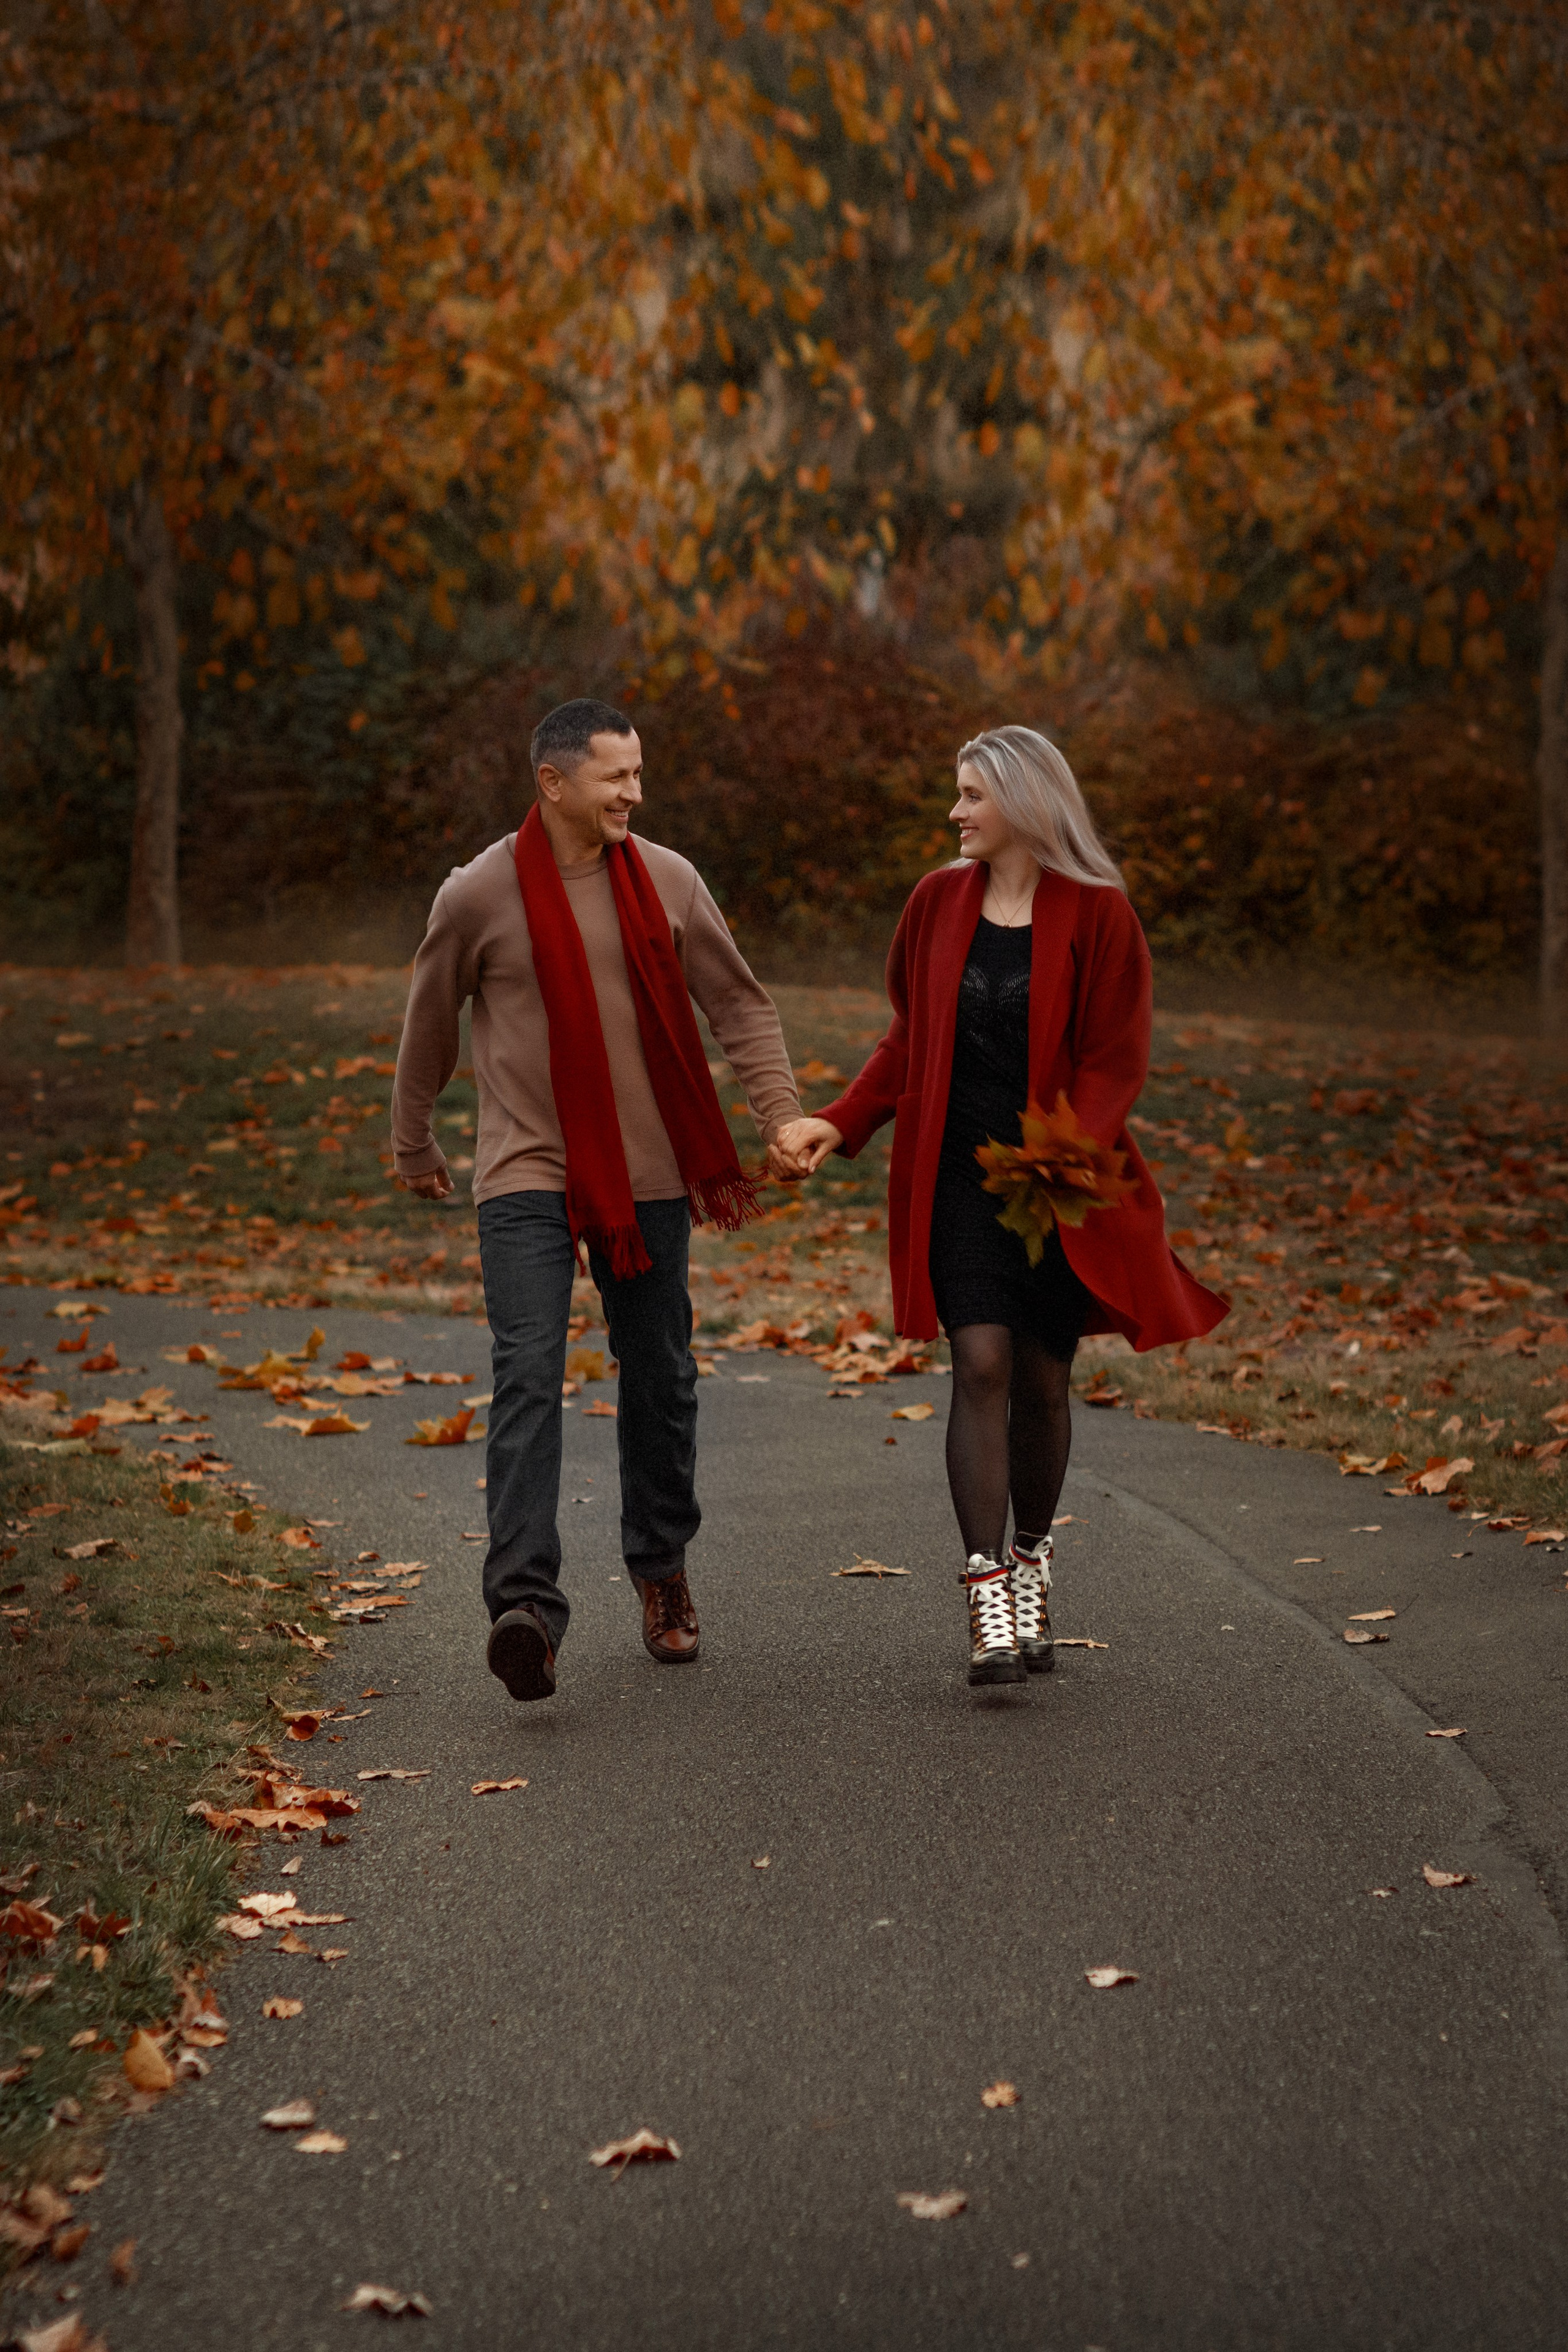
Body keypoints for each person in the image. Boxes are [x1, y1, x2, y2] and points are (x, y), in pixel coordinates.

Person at [775, 725, 1227, 1689]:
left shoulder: (1101, 915)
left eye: (971, 795)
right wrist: (840, 1120)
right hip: (956, 1177)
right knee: (978, 1363)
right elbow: (910, 1039)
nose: (956, 813)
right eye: (957, 794)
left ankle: (1032, 1560)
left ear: (1023, 803)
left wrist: (1065, 1151)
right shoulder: (938, 903)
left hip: (1060, 1186)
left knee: (1040, 1380)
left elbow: (1115, 1058)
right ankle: (985, 1590)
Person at [392, 698, 801, 1703]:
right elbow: (429, 1015)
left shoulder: (669, 880)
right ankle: (524, 1608)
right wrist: (413, 1139)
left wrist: (780, 1114)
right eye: (616, 776)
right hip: (526, 1173)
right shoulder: (480, 893)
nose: (635, 793)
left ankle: (662, 1570)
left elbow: (738, 1001)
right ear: (554, 783)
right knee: (528, 1373)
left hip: (650, 1173)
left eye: (638, 773)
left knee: (659, 1372)